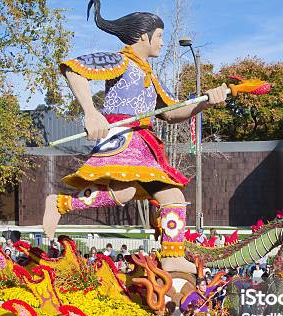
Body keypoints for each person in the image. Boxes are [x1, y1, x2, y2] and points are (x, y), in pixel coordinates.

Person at [41, 0, 228, 275]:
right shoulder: (119, 60)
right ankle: (60, 203)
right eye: (160, 36)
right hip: (123, 137)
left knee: (173, 197)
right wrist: (91, 113)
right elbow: (72, 68)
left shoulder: (151, 75)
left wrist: (206, 102)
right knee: (125, 190)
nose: (163, 42)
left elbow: (174, 112)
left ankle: (172, 256)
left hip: (145, 142)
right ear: (144, 36)